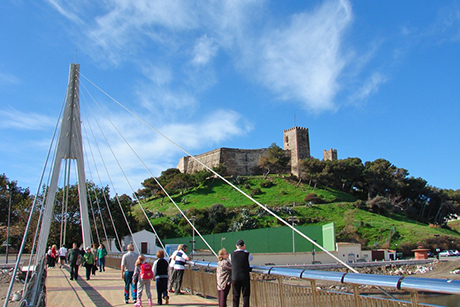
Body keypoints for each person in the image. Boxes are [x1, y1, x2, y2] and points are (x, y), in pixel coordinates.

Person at [229, 239, 253, 307]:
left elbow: (231, 262)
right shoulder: (246, 254)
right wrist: (245, 250)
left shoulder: (232, 254)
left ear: (236, 246)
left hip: (235, 277)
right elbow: (251, 258)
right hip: (245, 277)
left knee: (235, 295)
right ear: (243, 246)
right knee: (246, 295)